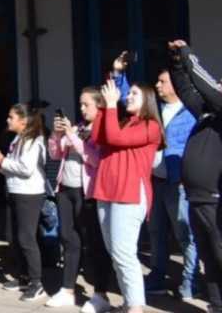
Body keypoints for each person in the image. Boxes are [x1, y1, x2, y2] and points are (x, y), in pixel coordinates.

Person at [90, 76, 164, 313]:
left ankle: (136, 307)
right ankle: (128, 302)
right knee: (115, 252)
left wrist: (111, 106)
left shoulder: (151, 126)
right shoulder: (122, 121)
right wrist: (103, 106)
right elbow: (99, 137)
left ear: (148, 100)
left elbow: (115, 138)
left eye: (134, 94)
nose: (127, 97)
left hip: (130, 193)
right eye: (128, 93)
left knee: (124, 253)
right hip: (108, 190)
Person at [45, 88, 116, 311]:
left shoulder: (103, 130)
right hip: (66, 189)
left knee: (95, 243)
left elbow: (95, 159)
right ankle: (67, 289)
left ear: (99, 106)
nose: (82, 109)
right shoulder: (77, 127)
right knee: (68, 239)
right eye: (81, 104)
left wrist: (72, 137)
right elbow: (55, 154)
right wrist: (57, 135)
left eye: (87, 105)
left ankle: (101, 294)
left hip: (89, 193)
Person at [168, 40, 222, 313]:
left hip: (216, 200)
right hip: (197, 197)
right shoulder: (206, 114)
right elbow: (187, 91)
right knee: (209, 259)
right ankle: (216, 305)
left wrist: (189, 56)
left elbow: (206, 87)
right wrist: (177, 63)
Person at [145, 68, 198, 300]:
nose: (157, 85)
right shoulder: (155, 110)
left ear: (176, 85)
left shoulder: (190, 113)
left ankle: (190, 281)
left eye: (162, 81)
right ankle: (157, 275)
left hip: (177, 183)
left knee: (185, 233)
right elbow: (130, 98)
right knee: (155, 232)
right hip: (154, 181)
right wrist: (118, 75)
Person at [0, 104, 48, 302]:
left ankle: (36, 283)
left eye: (11, 117)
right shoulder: (18, 138)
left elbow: (26, 168)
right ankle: (23, 277)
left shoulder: (33, 140)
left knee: (26, 238)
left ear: (23, 121)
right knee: (14, 237)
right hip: (15, 190)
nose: (8, 120)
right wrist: (3, 168)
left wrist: (2, 161)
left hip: (29, 194)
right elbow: (17, 167)